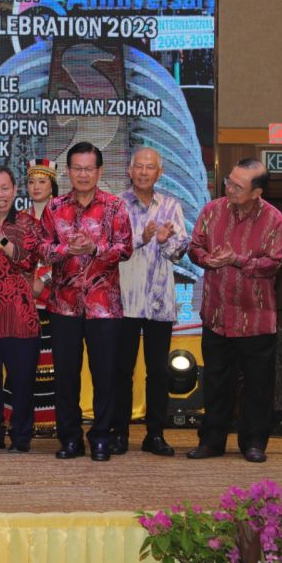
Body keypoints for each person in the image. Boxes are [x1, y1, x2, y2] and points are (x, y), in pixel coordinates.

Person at [186, 159, 282, 463]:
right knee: (217, 381)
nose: (229, 188)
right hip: (216, 314)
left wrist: (237, 259)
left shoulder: (274, 220)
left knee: (258, 385)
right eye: (229, 182)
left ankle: (253, 442)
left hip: (255, 317)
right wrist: (207, 259)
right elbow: (194, 247)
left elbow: (273, 263)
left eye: (238, 186)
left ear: (257, 192)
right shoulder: (211, 210)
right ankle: (211, 441)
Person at [39, 141, 132, 462]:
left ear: (99, 171)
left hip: (104, 306)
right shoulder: (54, 208)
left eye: (88, 169)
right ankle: (70, 438)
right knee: (65, 375)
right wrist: (68, 250)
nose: (82, 174)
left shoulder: (115, 207)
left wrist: (94, 249)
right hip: (63, 306)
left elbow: (125, 249)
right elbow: (44, 251)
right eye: (76, 168)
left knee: (105, 375)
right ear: (67, 172)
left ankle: (101, 438)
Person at [113, 147, 189, 457]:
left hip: (159, 304)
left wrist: (163, 241)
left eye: (150, 168)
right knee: (121, 370)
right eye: (139, 167)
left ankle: (155, 434)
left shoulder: (172, 206)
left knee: (158, 371)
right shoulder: (116, 205)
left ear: (159, 173)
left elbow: (180, 250)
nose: (144, 172)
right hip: (124, 302)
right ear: (130, 171)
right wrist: (143, 238)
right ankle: (118, 433)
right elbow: (113, 247)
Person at [0, 165, 42, 453]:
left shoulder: (28, 224)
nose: (0, 194)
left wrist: (0, 237)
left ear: (15, 190)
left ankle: (21, 436)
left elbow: (26, 261)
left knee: (22, 382)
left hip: (20, 315)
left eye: (5, 188)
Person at [24, 158, 59, 436]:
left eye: (42, 181)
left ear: (53, 185)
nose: (35, 187)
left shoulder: (62, 215)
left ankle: (50, 421)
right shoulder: (20, 217)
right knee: (22, 361)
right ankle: (21, 421)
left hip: (52, 299)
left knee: (50, 362)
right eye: (31, 181)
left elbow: (65, 256)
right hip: (23, 301)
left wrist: (43, 279)